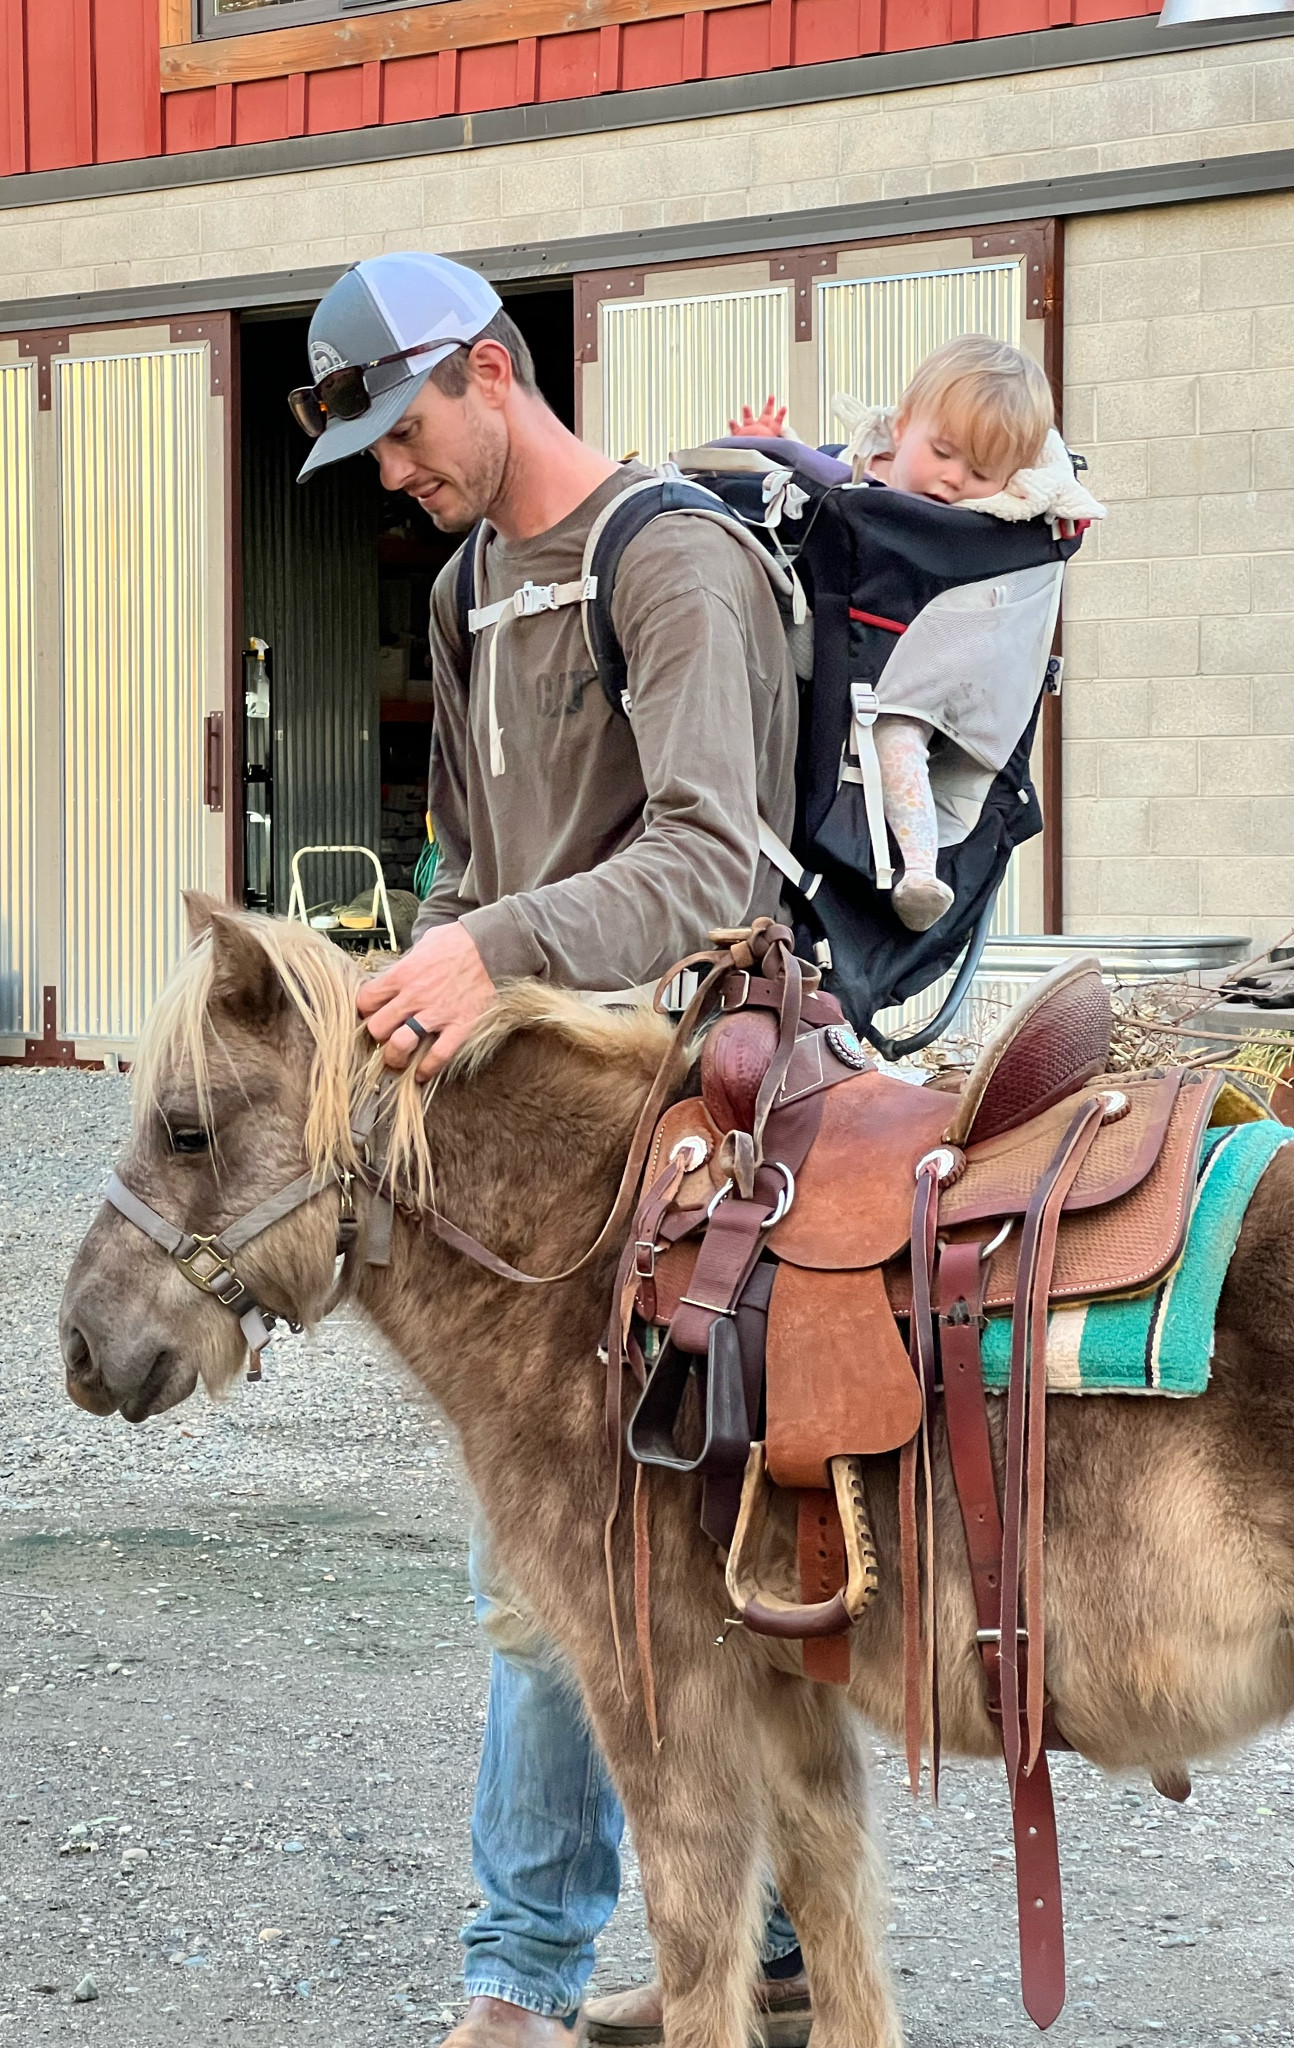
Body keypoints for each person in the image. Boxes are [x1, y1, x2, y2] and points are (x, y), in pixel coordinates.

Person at [290, 249, 809, 2048]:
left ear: (493, 370)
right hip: (540, 1124)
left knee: (691, 1536)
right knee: (557, 1556)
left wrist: (496, 951)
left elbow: (712, 865)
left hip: (704, 1112)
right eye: (363, 439)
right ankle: (592, 1962)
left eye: (403, 424)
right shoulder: (460, 590)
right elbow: (458, 859)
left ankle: (558, 1976)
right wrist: (425, 969)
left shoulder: (668, 562)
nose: (389, 467)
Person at [732, 334, 1098, 934]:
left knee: (899, 742)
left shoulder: (984, 526)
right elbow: (817, 481)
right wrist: (778, 446)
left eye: (981, 473)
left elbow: (1040, 506)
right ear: (901, 427)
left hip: (916, 684)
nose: (952, 480)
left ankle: (921, 871)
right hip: (825, 658)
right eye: (943, 452)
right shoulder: (862, 470)